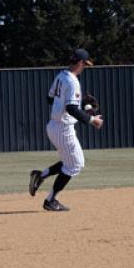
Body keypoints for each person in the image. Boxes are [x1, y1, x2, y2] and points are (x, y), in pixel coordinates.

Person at [29, 48, 103, 211]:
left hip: (54, 126)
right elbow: (71, 108)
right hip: (63, 128)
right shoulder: (73, 81)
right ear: (81, 62)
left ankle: (41, 176)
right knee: (75, 164)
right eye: (85, 64)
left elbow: (51, 99)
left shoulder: (61, 76)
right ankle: (50, 200)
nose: (85, 67)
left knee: (70, 162)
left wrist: (81, 103)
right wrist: (92, 120)